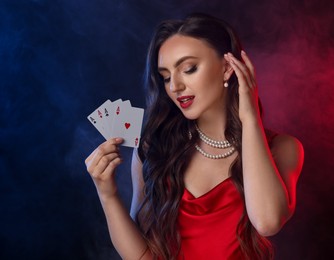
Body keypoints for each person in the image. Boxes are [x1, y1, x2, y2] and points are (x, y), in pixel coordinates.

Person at [85, 13, 304, 260]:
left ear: (227, 68)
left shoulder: (283, 148)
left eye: (188, 69)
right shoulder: (154, 148)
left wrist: (249, 118)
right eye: (166, 77)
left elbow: (268, 222)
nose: (175, 86)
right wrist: (108, 194)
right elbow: (144, 257)